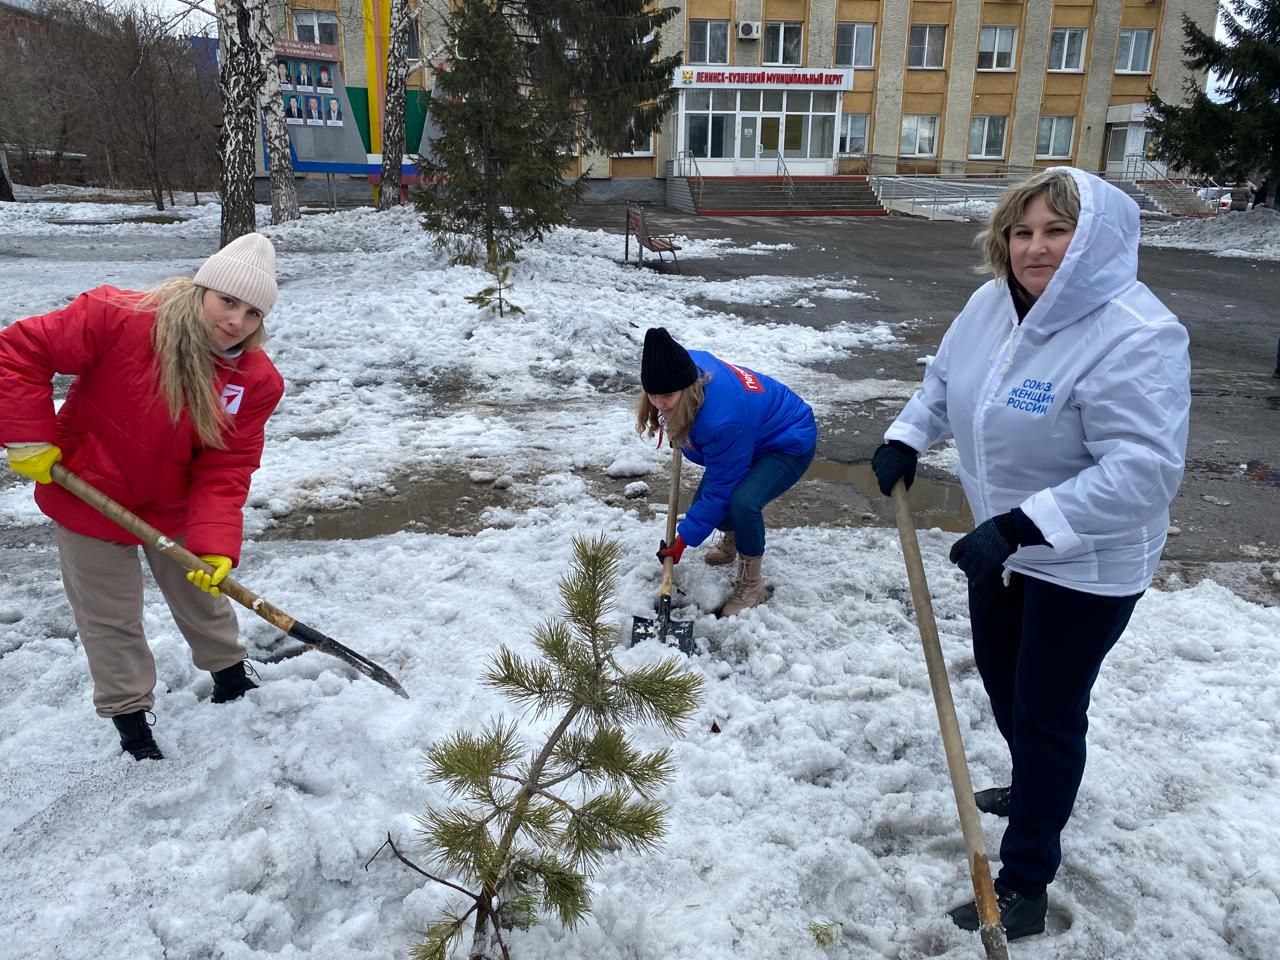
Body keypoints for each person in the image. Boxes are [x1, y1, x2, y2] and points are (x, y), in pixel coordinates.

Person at [871, 168, 1190, 940]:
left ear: (1096, 241)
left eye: (1057, 231)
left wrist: (1021, 526)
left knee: (1047, 712)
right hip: (1007, 548)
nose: (1036, 247)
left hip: (1087, 564)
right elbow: (948, 383)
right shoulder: (991, 307)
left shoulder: (1136, 335)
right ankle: (1034, 781)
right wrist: (908, 434)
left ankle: (1024, 883)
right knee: (1007, 685)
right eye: (1023, 231)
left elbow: (1142, 474)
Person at [0, 234, 285, 762]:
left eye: (252, 312)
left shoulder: (254, 379)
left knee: (203, 592)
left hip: (176, 504)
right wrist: (28, 434)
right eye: (228, 301)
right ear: (203, 288)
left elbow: (226, 466)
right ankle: (133, 723)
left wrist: (215, 541)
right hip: (88, 492)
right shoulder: (118, 317)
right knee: (109, 616)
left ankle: (230, 678)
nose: (236, 322)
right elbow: (18, 350)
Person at [636, 328, 817, 617]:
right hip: (750, 436)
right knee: (711, 509)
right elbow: (715, 488)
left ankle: (752, 586)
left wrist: (683, 541)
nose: (659, 404)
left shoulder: (722, 421)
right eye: (653, 396)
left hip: (787, 438)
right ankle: (734, 537)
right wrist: (674, 419)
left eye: (667, 397)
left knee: (741, 502)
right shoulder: (678, 365)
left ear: (686, 387)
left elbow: (721, 488)